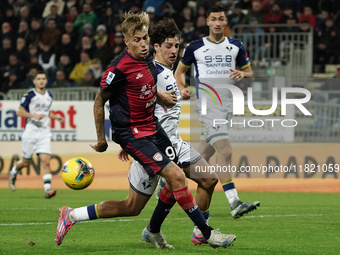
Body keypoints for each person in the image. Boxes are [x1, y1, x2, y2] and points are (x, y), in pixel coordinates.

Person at [55, 12, 236, 249]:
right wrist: (103, 141)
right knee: (176, 178)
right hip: (135, 136)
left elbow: (145, 86)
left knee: (136, 205)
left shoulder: (148, 61)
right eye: (138, 39)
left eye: (145, 38)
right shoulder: (118, 68)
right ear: (127, 41)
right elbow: (100, 101)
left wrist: (160, 98)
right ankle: (206, 232)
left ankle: (74, 215)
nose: (143, 44)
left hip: (153, 130)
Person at [116, 18, 221, 247]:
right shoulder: (149, 71)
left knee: (209, 179)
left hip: (175, 143)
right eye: (169, 46)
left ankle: (192, 230)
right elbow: (128, 101)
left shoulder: (167, 72)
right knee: (133, 206)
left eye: (177, 46)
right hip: (156, 145)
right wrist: (128, 142)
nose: (174, 51)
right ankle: (197, 230)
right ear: (156, 47)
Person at [174, 5, 260, 219]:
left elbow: (250, 72)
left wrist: (242, 73)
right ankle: (234, 202)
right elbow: (179, 72)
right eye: (214, 19)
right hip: (207, 106)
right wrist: (182, 88)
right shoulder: (195, 47)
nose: (218, 23)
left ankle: (169, 183)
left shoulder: (236, 46)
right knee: (226, 151)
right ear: (208, 22)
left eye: (221, 19)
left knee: (203, 156)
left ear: (225, 22)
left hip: (225, 107)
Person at [8, 71, 65, 198]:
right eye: (38, 79)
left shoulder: (49, 96)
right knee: (26, 162)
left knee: (46, 161)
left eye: (43, 78)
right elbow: (19, 112)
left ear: (46, 80)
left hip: (44, 132)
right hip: (30, 132)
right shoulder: (29, 95)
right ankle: (13, 172)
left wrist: (56, 117)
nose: (41, 81)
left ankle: (47, 189)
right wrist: (34, 116)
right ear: (34, 81)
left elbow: (46, 112)